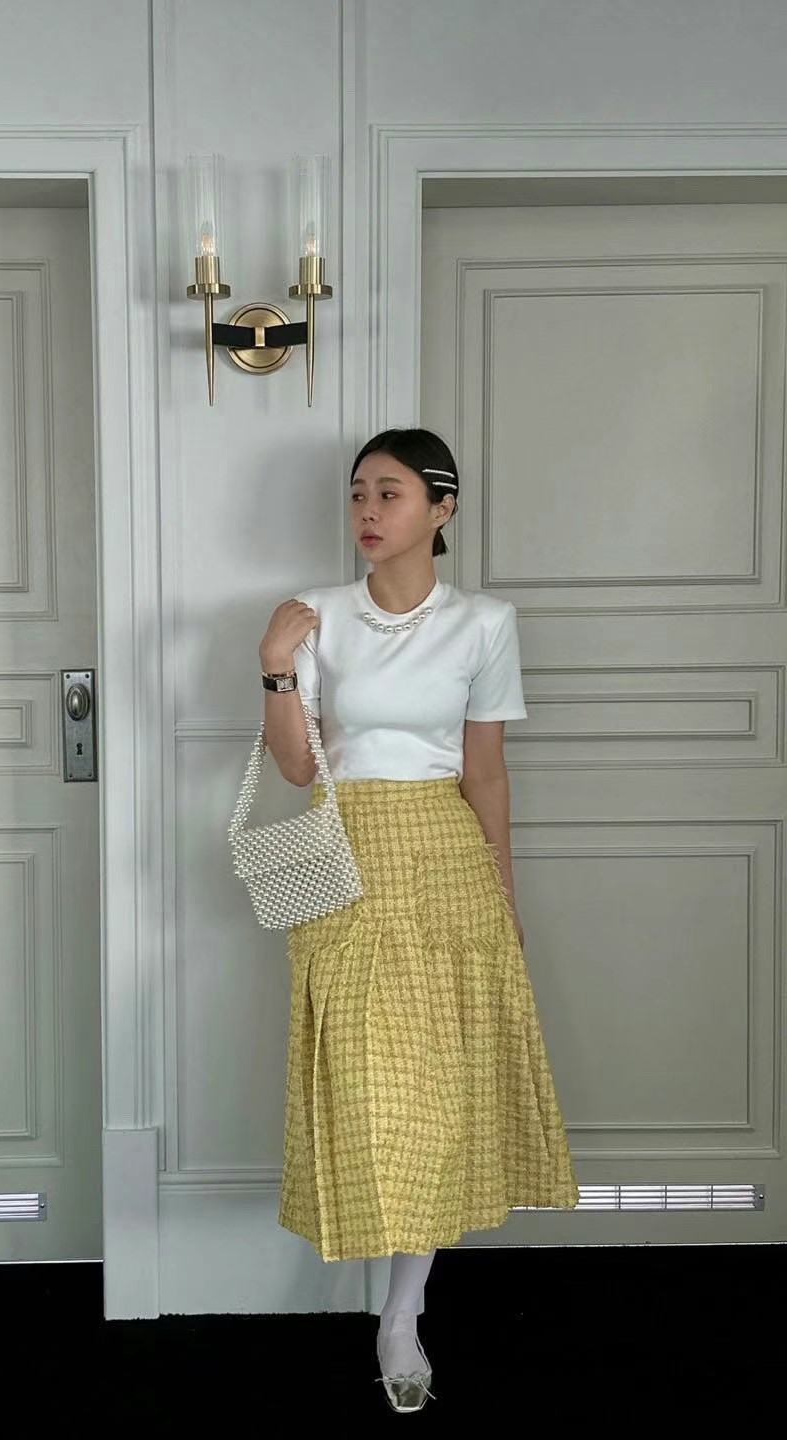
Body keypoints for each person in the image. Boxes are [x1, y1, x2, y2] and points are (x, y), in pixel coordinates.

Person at [257, 427, 580, 1413]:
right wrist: (275, 665)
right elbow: (298, 767)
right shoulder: (317, 616)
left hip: (447, 860)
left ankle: (403, 1312)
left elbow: (486, 771)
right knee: (365, 1083)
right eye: (359, 493)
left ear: (442, 509)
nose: (367, 512)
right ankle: (374, 1279)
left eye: (389, 494)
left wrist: (504, 896)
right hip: (347, 854)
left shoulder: (485, 623)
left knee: (437, 1096)